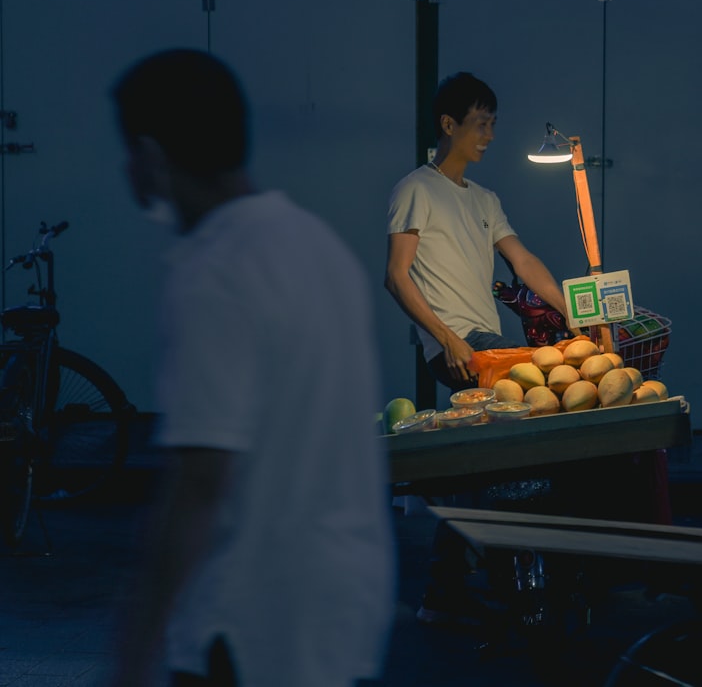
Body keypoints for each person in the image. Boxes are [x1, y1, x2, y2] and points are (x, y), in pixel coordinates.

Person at [109, 49, 395, 687]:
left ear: (153, 158)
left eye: (128, 152)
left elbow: (200, 483)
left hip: (247, 616)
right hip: (342, 602)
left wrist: (130, 658)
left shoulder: (214, 273)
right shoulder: (318, 247)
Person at [384, 71, 572, 391]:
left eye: (493, 124)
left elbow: (523, 261)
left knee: (562, 375)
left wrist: (569, 313)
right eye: (481, 124)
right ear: (448, 125)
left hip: (486, 339)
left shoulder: (486, 200)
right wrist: (447, 339)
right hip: (457, 343)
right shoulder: (415, 190)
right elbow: (396, 276)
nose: (490, 135)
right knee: (549, 377)